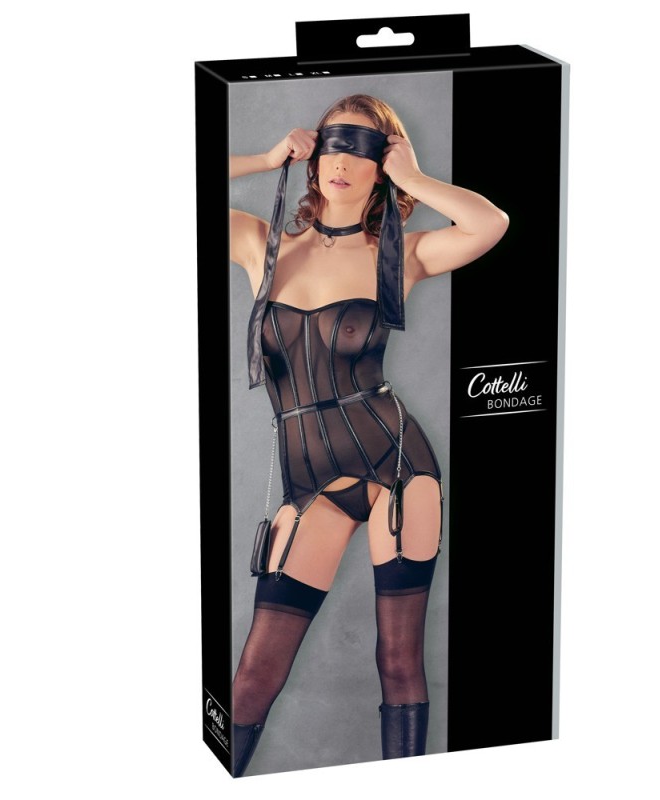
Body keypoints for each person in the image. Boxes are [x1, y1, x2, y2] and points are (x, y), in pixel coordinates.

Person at [228, 93, 508, 776]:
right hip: (310, 485)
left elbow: (490, 222)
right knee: (252, 679)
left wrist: (415, 177)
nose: (342, 162)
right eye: (333, 144)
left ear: (383, 165)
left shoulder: (401, 256)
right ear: (312, 156)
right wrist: (264, 159)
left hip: (397, 468)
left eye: (363, 149)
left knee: (397, 659)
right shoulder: (260, 244)